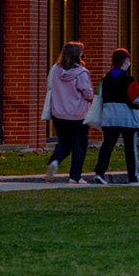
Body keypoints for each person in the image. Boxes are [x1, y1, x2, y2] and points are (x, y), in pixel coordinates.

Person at [91, 48, 139, 185]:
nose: (129, 63)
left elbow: (100, 95)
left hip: (109, 117)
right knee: (130, 148)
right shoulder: (129, 79)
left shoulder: (105, 78)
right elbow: (136, 98)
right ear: (125, 62)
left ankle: (99, 173)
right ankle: (133, 177)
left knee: (107, 146)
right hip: (127, 118)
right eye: (128, 61)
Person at [45, 41, 93, 184]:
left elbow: (49, 86)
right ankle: (75, 176)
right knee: (80, 145)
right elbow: (87, 93)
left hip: (59, 113)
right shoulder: (81, 72)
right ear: (79, 55)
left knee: (64, 142)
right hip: (78, 115)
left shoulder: (55, 70)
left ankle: (54, 161)